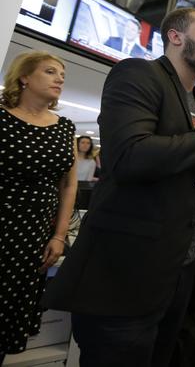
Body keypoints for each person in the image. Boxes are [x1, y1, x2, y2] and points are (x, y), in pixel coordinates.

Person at [42, 8, 195, 366]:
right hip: (127, 277)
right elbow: (129, 156)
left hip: (177, 276)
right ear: (176, 37)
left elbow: (194, 181)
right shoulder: (136, 75)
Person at [0, 52, 78, 360]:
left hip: (33, 237)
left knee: (7, 320)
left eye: (62, 74)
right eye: (50, 72)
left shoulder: (64, 127)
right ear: (24, 77)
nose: (60, 78)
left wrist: (59, 235)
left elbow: (69, 184)